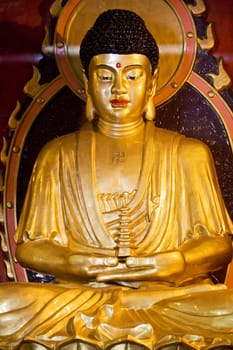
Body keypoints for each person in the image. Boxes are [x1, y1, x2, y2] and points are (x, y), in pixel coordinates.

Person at [0, 9, 233, 350]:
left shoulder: (188, 154)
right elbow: (31, 248)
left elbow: (219, 244)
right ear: (87, 83)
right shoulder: (57, 155)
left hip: (163, 298)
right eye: (105, 76)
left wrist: (174, 263)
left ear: (152, 82)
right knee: (5, 306)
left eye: (133, 76)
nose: (119, 88)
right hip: (79, 296)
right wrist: (73, 263)